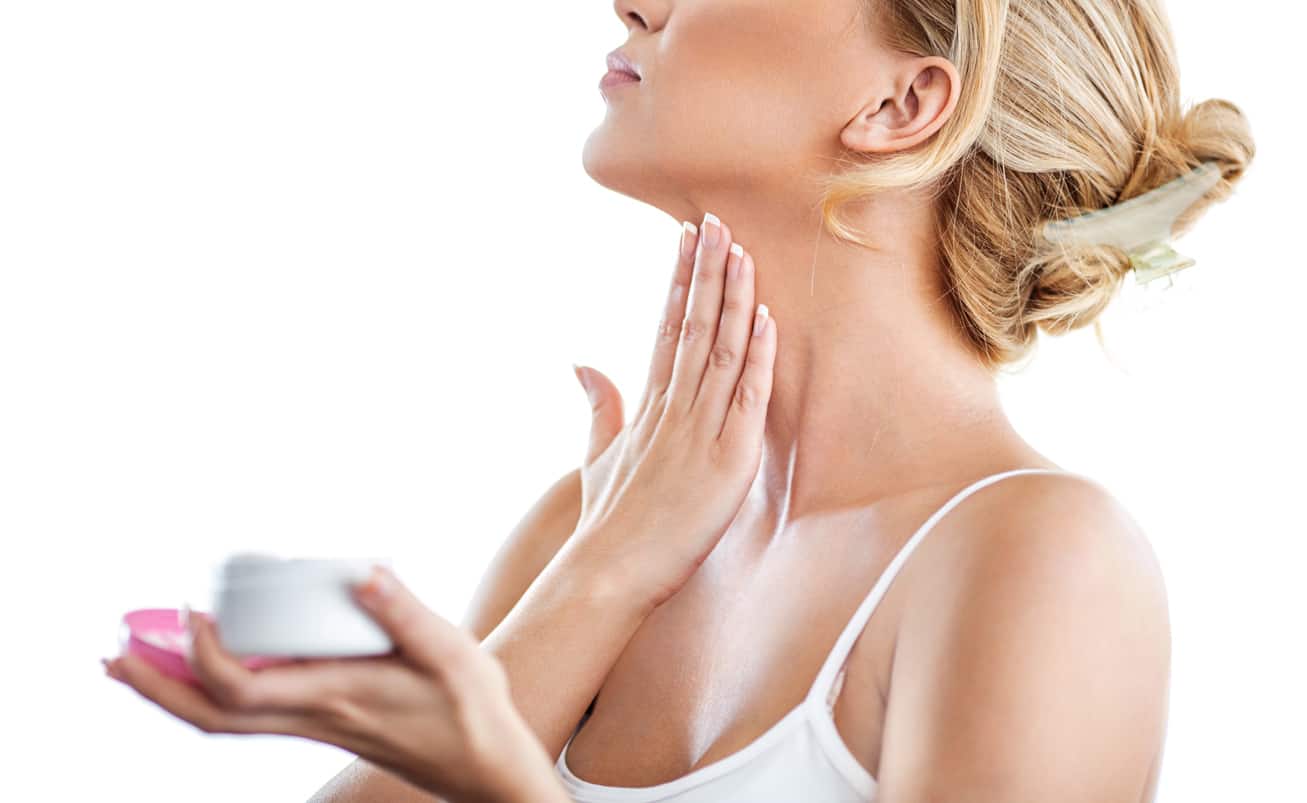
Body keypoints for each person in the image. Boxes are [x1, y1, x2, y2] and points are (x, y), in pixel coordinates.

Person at [104, 0, 1255, 800]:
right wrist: (605, 572)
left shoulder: (1040, 556)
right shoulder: (599, 521)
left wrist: (503, 781)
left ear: (903, 103)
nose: (631, 4)